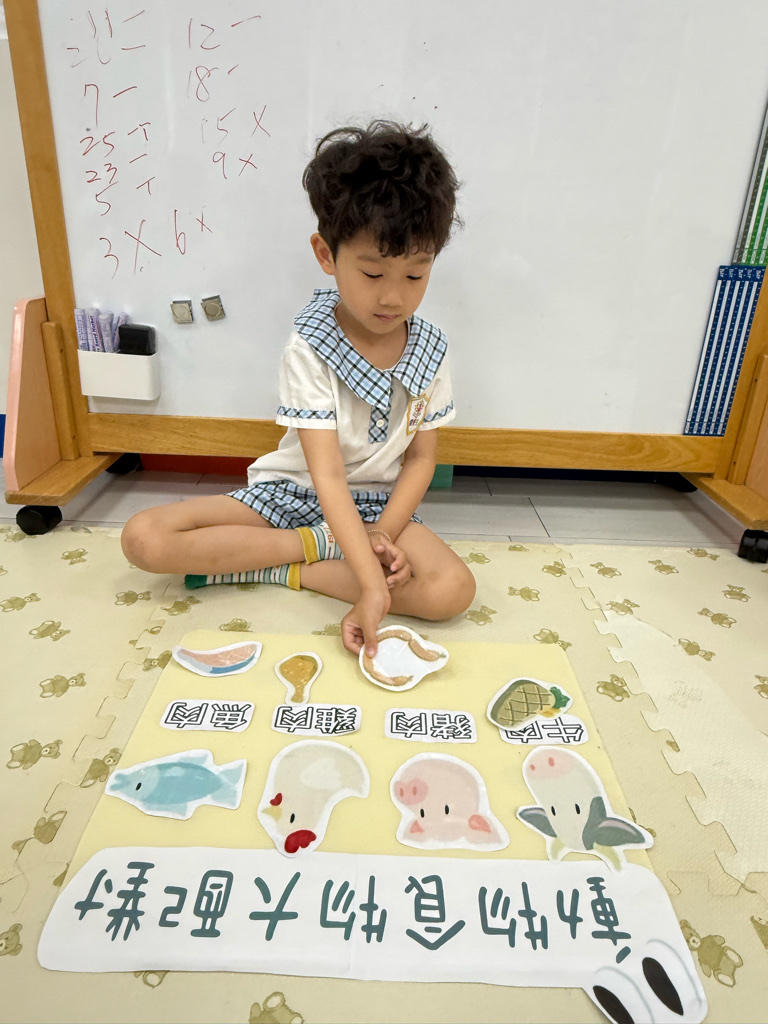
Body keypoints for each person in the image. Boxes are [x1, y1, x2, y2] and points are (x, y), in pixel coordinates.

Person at [121, 121, 476, 657]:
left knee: (453, 590)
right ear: (326, 254)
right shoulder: (310, 345)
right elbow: (325, 474)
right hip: (290, 494)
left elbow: (421, 460)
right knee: (143, 538)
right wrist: (368, 579)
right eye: (373, 274)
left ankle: (279, 569)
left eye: (414, 275)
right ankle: (316, 550)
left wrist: (380, 535)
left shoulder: (431, 349)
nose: (393, 298)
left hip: (378, 507)